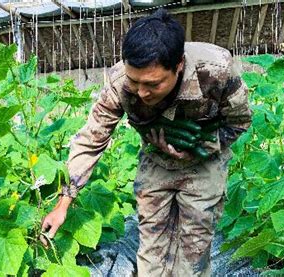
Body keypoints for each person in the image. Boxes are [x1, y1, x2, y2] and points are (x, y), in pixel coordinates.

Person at [41, 8, 252, 276]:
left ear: (178, 66)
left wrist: (199, 145)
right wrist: (63, 203)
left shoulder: (216, 71)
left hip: (203, 164)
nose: (141, 92)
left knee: (193, 252)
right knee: (151, 250)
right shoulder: (119, 83)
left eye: (152, 84)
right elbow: (91, 138)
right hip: (155, 161)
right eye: (134, 81)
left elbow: (240, 121)